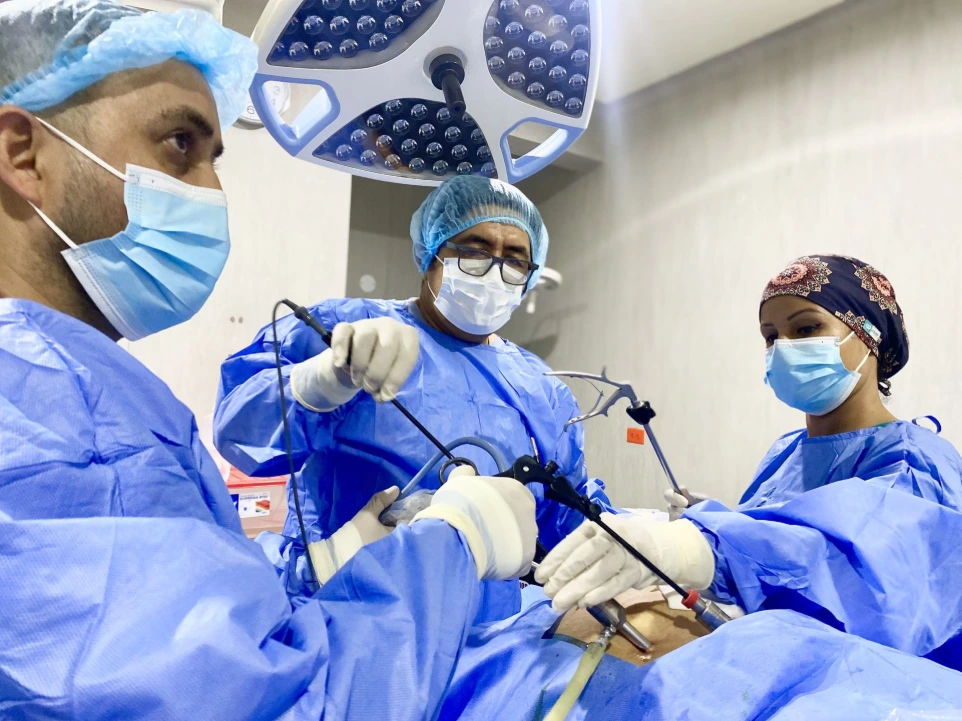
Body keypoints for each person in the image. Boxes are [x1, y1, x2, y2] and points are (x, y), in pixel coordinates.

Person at [0, 2, 539, 718]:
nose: (211, 193)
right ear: (22, 155)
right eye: (180, 143)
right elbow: (260, 699)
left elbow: (194, 615)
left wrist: (340, 558)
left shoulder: (85, 387)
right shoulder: (43, 412)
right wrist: (448, 542)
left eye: (215, 159)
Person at [536, 255, 962, 670]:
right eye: (771, 336)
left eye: (807, 328)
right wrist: (706, 523)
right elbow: (773, 535)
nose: (784, 349)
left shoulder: (915, 463)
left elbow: (855, 566)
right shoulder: (786, 453)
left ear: (870, 336)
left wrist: (699, 548)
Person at [215, 175, 613, 618]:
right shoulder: (353, 328)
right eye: (475, 250)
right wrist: (322, 381)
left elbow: (567, 517)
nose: (495, 270)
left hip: (486, 631)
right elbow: (238, 431)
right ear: (432, 254)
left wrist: (627, 541)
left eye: (515, 260)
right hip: (348, 609)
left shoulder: (541, 388)